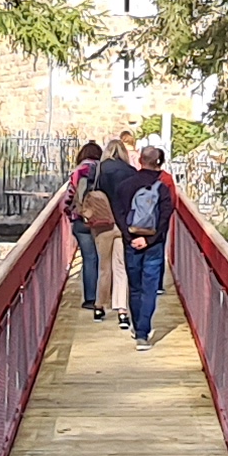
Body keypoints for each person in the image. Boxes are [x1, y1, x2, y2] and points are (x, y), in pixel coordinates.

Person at [121, 141, 176, 341]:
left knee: (134, 286)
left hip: (130, 242)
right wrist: (150, 239)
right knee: (150, 287)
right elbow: (166, 215)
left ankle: (137, 327)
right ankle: (143, 333)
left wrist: (130, 237)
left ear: (140, 161)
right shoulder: (162, 187)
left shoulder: (125, 185)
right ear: (158, 162)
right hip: (154, 244)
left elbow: (119, 215)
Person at [87, 132, 141, 319]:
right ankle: (122, 310)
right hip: (124, 224)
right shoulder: (131, 172)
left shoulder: (99, 169)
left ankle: (100, 306)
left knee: (103, 266)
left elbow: (88, 192)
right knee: (121, 266)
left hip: (102, 223)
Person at [66, 139, 112, 315]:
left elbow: (69, 195)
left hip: (82, 220)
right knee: (103, 259)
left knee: (89, 259)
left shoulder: (78, 171)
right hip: (102, 220)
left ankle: (90, 299)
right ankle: (105, 298)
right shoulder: (104, 170)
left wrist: (70, 213)